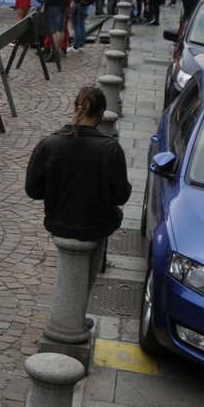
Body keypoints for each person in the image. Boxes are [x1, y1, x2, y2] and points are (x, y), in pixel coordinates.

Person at [24, 85, 131, 277]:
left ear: (75, 109)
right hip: (97, 225)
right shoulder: (111, 149)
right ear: (101, 114)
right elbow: (121, 196)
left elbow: (33, 189)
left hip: (59, 222)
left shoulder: (48, 144)